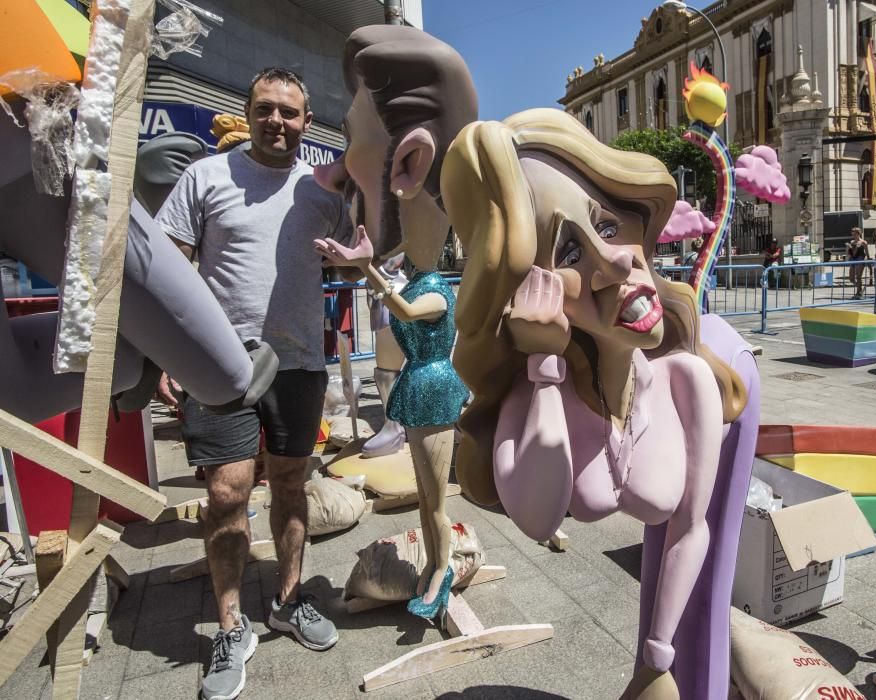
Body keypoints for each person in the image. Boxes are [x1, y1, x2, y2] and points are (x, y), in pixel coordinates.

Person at [442, 109, 749, 698]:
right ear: (529, 291)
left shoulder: (686, 380)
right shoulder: (536, 396)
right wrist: (544, 361)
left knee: (702, 617)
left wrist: (656, 658)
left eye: (609, 228)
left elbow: (692, 528)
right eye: (570, 254)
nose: (616, 262)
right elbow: (537, 517)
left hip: (734, 380)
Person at [155, 67, 350, 700]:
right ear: (248, 112)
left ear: (306, 122)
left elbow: (364, 249)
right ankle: (230, 626)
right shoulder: (205, 177)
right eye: (265, 109)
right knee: (228, 491)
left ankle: (289, 602)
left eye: (289, 113)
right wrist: (164, 354)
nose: (277, 122)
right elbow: (166, 268)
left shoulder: (321, 191)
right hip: (220, 364)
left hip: (298, 365)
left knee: (292, 484)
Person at [313, 25, 477, 622]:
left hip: (435, 390)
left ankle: (440, 571)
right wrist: (362, 268)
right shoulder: (416, 275)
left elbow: (408, 312)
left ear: (410, 162)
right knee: (424, 496)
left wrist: (367, 271)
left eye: (346, 144)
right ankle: (437, 564)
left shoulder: (432, 288)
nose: (333, 176)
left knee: (434, 500)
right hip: (419, 388)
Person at [846, 227, 868, 299]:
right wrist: (848, 248)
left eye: (855, 234)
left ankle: (859, 293)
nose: (854, 236)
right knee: (851, 278)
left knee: (858, 277)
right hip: (853, 259)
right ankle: (860, 289)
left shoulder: (863, 242)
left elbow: (867, 253)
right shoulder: (852, 242)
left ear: (859, 234)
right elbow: (850, 253)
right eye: (853, 234)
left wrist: (868, 260)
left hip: (860, 259)